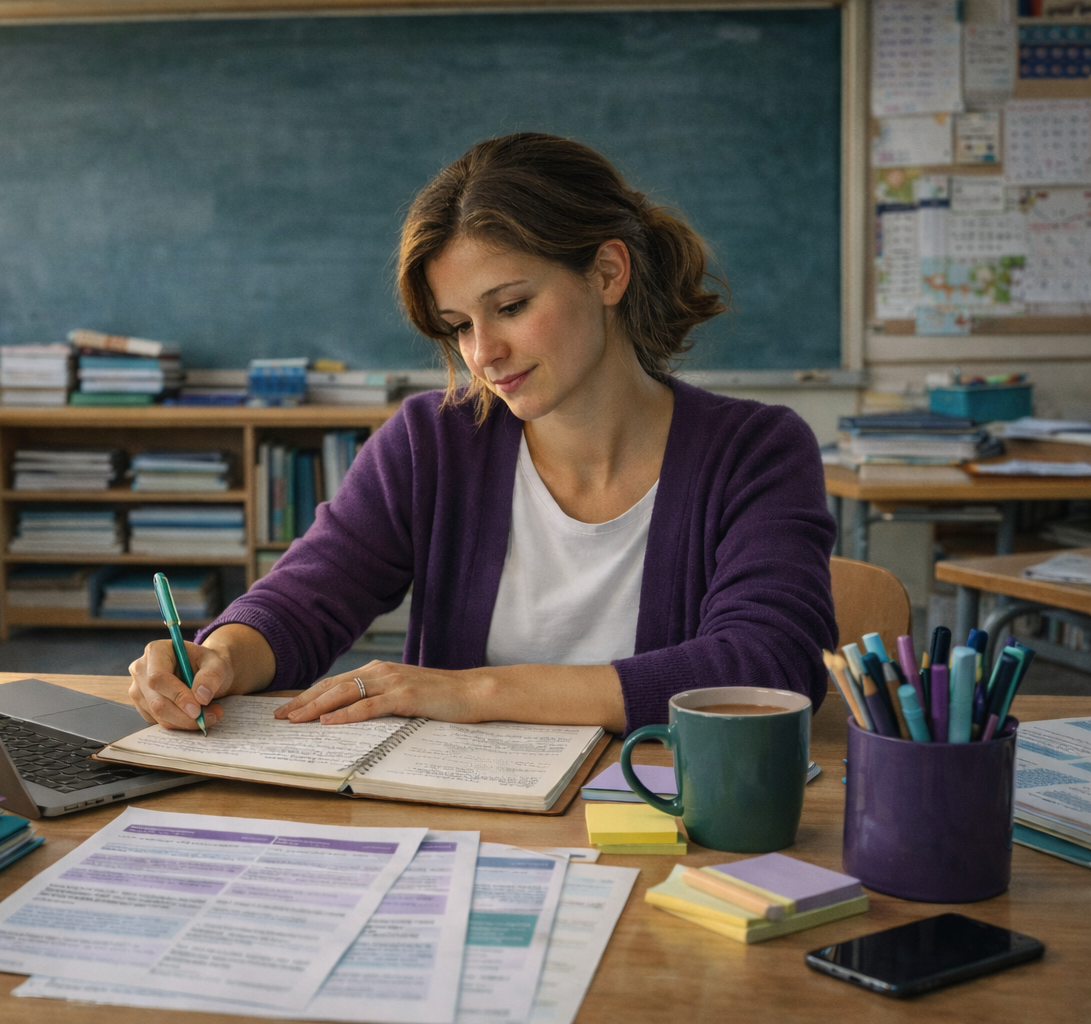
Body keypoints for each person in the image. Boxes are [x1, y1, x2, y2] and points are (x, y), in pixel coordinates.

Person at [129, 132, 837, 736]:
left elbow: (766, 665)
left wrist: (474, 691)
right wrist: (220, 655)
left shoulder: (756, 451)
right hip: (461, 825)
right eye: (459, 325)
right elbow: (304, 602)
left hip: (658, 819)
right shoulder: (433, 442)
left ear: (608, 272)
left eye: (512, 306)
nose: (482, 353)